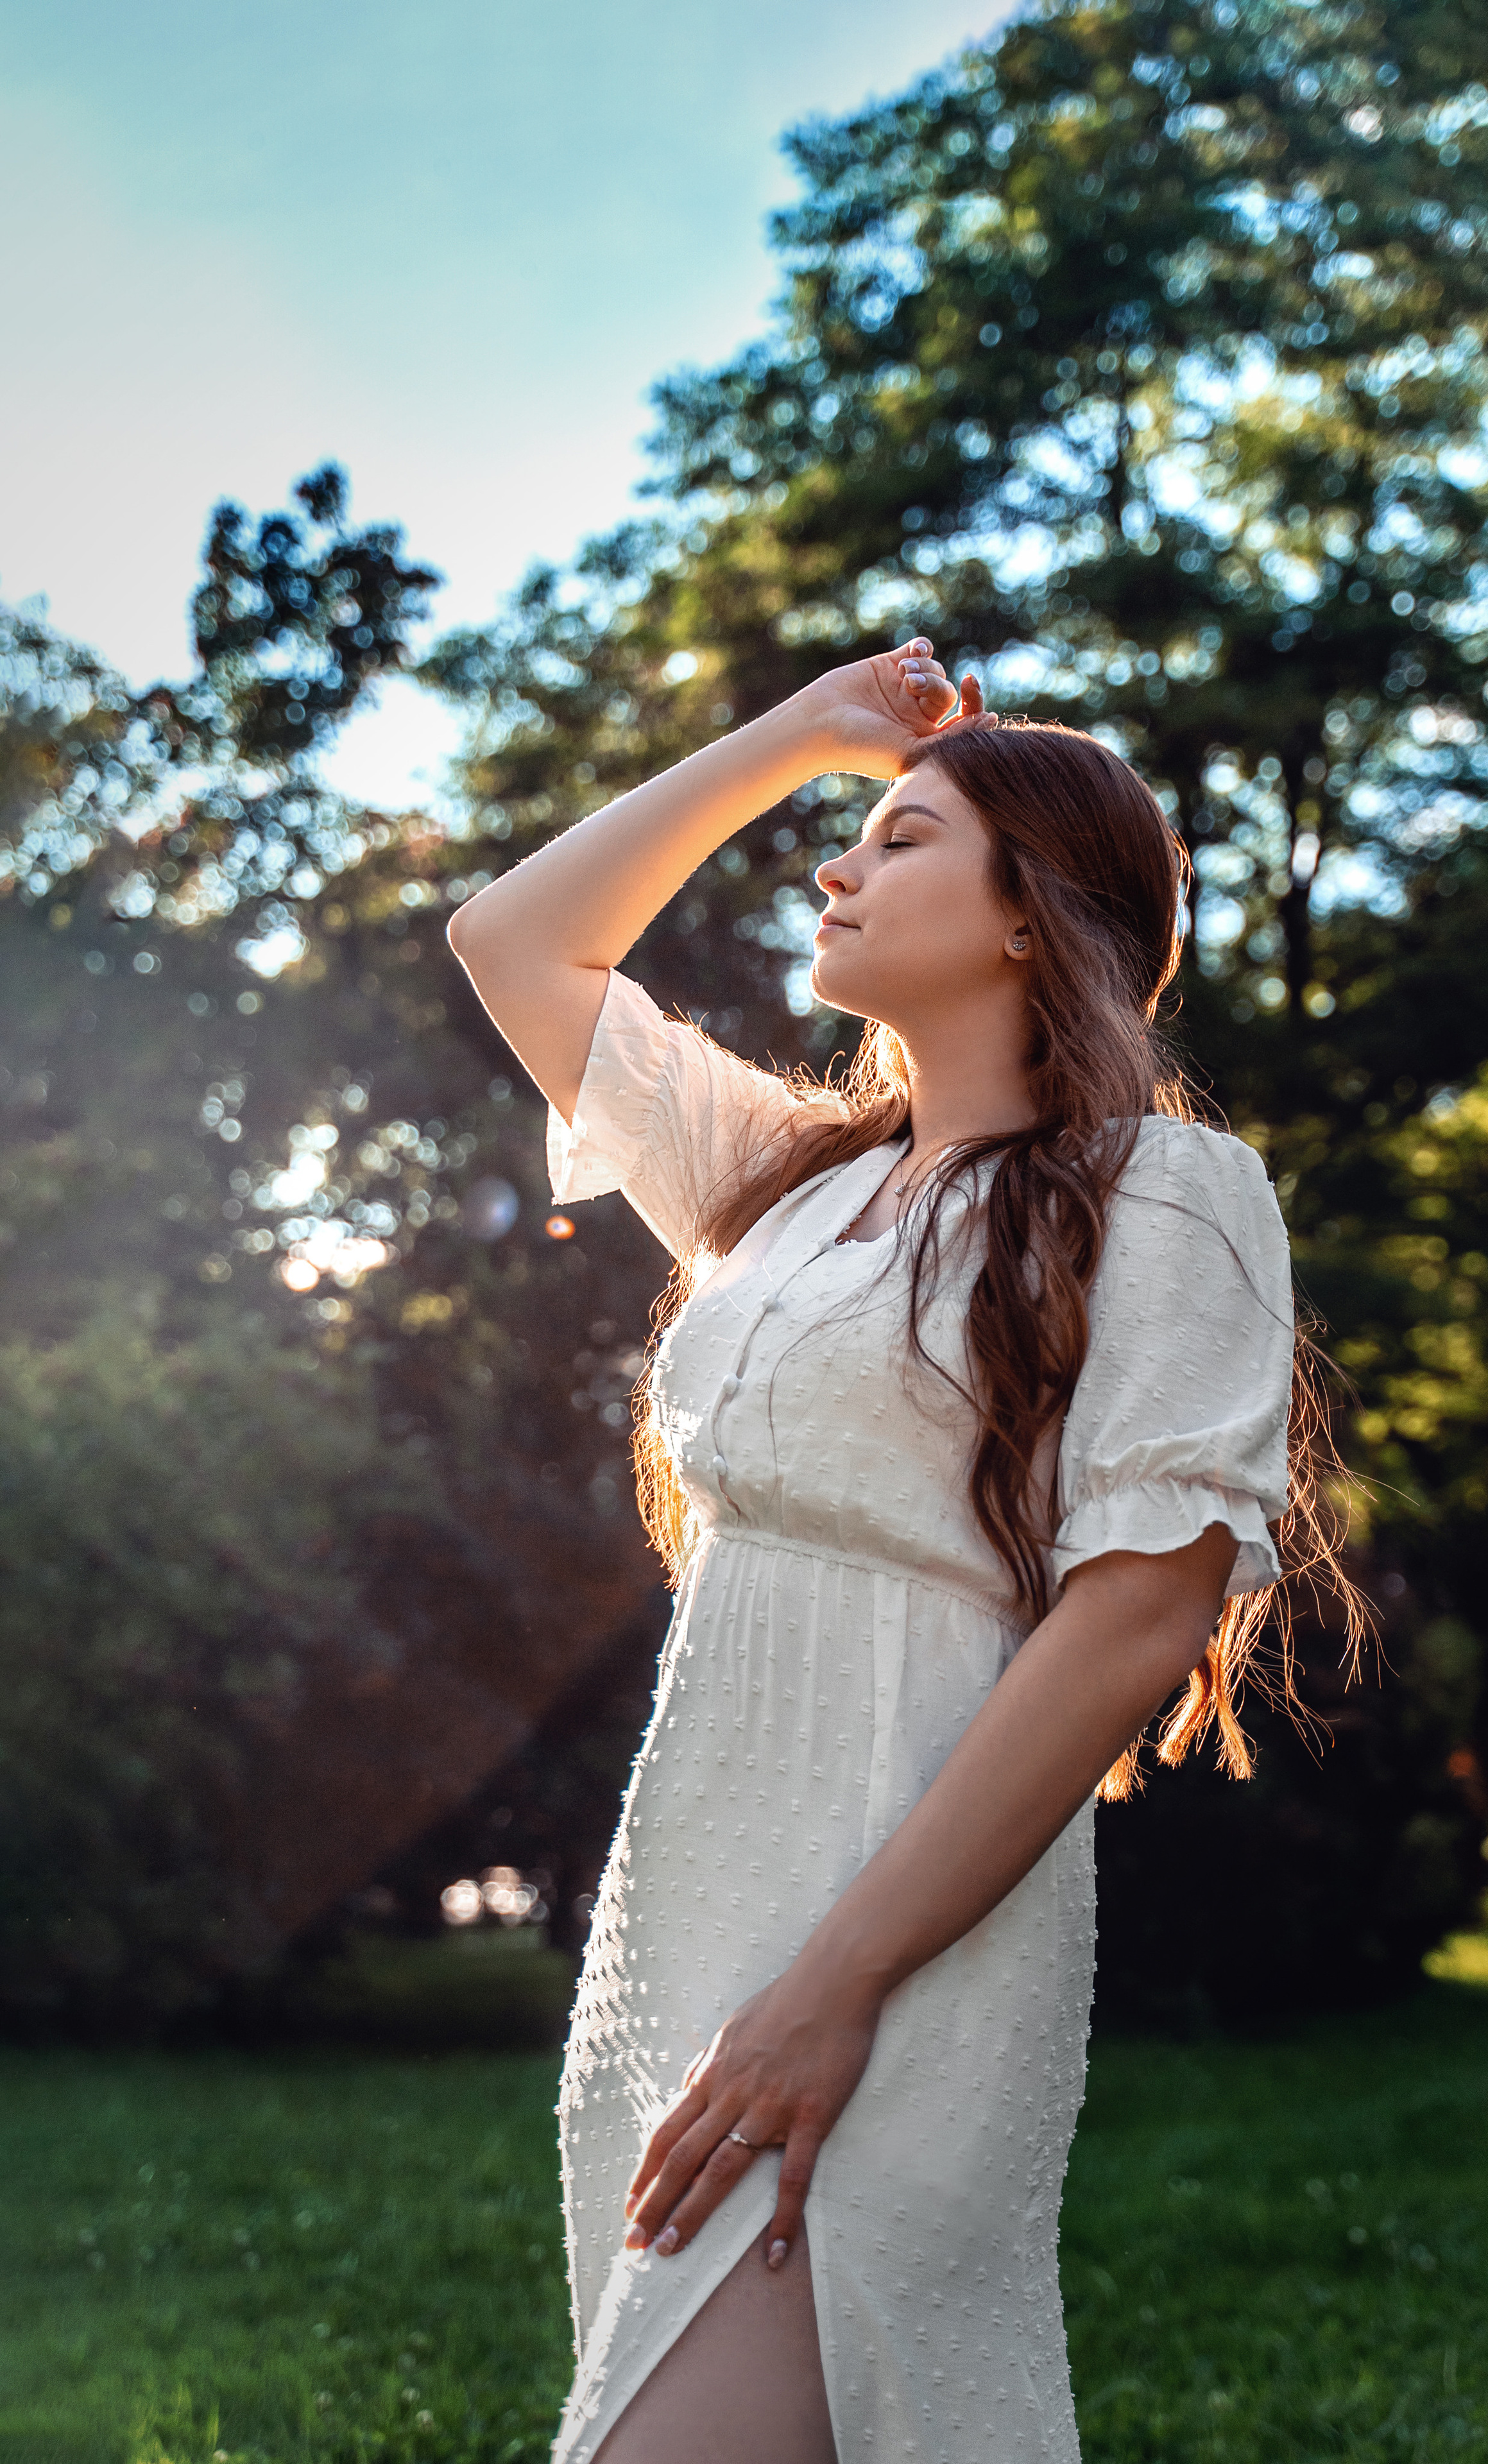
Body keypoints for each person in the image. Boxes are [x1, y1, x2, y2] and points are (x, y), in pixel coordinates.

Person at [449, 638, 1351, 2464]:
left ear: (1034, 917)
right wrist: (799, 737)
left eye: (902, 838)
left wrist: (836, 1981)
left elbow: (1132, 1623)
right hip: (688, 1901)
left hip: (908, 1922)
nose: (836, 869)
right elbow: (514, 941)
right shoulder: (783, 1180)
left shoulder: (1169, 1192)